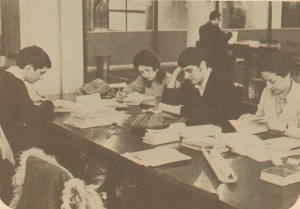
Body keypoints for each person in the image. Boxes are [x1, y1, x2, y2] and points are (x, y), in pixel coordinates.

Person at [160, 47, 240, 126]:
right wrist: (175, 74)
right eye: (183, 72)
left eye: (189, 70)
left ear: (202, 65)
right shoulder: (190, 82)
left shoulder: (222, 82)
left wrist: (180, 110)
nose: (186, 76)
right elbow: (168, 102)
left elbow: (213, 115)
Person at [0, 45, 54, 156]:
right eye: (41, 72)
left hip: (6, 136)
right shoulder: (17, 85)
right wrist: (49, 104)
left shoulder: (4, 73)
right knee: (57, 140)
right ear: (29, 67)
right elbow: (34, 119)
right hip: (12, 142)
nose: (41, 77)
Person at [239, 52, 300, 137]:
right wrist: (251, 119)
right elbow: (260, 117)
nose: (268, 86)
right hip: (268, 144)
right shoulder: (267, 91)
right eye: (266, 81)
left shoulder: (298, 95)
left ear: (287, 75)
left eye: (272, 81)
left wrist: (283, 128)